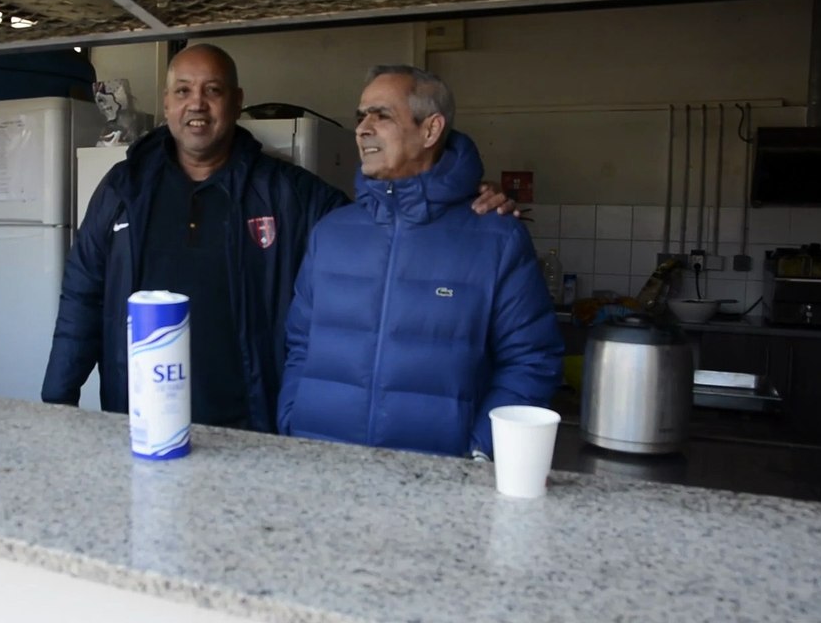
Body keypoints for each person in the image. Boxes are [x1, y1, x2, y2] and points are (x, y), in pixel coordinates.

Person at [41, 45, 516, 432]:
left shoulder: (287, 192)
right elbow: (82, 296)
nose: (197, 103)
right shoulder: (123, 190)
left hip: (247, 425)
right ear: (166, 104)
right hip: (138, 419)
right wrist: (57, 403)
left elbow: (387, 223)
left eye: (213, 90)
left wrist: (457, 192)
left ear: (237, 100)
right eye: (183, 90)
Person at [278, 64, 562, 457]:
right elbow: (300, 342)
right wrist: (292, 417)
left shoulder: (496, 238)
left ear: (430, 130)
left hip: (441, 477)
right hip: (321, 463)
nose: (362, 129)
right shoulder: (331, 233)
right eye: (361, 117)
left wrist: (481, 452)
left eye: (382, 116)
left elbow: (531, 359)